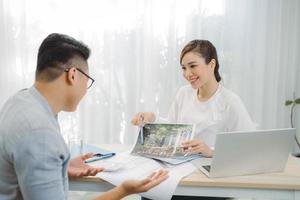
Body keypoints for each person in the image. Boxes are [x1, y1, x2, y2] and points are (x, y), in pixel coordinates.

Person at [0, 33, 168, 200]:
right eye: (87, 81)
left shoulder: (20, 100)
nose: (86, 89)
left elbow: (22, 163)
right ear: (72, 75)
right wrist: (123, 190)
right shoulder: (40, 133)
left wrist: (60, 168)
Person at [132, 40, 255, 200]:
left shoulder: (230, 102)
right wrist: (152, 119)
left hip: (208, 180)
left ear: (211, 64)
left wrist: (210, 152)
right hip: (180, 171)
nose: (187, 74)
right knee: (150, 191)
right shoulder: (184, 93)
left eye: (192, 66)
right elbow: (173, 127)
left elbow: (248, 149)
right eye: (184, 68)